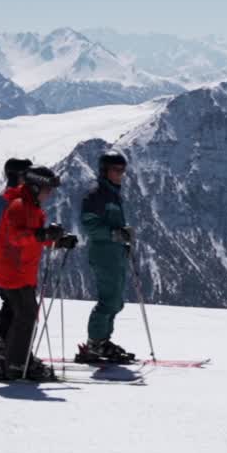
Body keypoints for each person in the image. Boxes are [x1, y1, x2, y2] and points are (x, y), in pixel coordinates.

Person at [0, 166, 78, 381]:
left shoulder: (32, 207)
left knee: (24, 316)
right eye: (48, 189)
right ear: (36, 186)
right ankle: (17, 365)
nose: (50, 194)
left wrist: (56, 240)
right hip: (14, 273)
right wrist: (43, 234)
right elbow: (16, 238)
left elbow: (32, 238)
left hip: (20, 272)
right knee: (26, 317)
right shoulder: (19, 206)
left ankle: (16, 360)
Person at [76, 151, 136, 364]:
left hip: (115, 253)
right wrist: (114, 235)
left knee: (116, 301)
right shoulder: (96, 194)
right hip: (103, 254)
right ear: (104, 171)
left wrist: (123, 240)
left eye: (123, 170)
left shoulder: (112, 194)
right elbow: (89, 225)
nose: (121, 174)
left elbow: (112, 225)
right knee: (108, 300)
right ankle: (95, 343)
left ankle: (102, 340)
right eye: (116, 170)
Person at [0, 157, 32, 364]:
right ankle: (3, 347)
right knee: (12, 305)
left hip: (12, 263)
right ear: (19, 176)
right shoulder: (5, 200)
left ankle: (7, 346)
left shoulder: (12, 199)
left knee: (14, 305)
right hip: (3, 263)